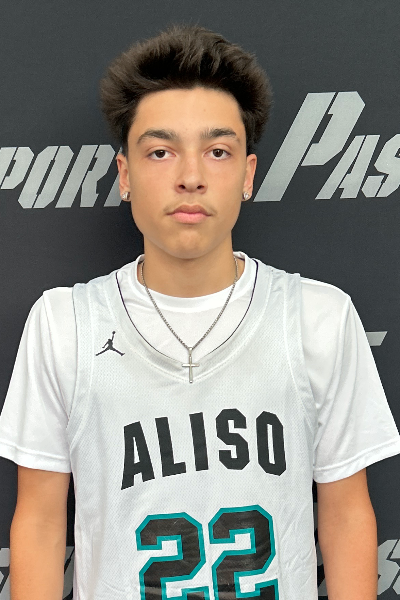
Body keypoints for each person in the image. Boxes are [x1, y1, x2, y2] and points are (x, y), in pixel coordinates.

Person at [0, 24, 399, 600]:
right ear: (125, 175)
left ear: (248, 174)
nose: (190, 177)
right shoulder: (65, 323)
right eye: (161, 152)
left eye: (217, 151)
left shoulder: (318, 317)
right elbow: (39, 522)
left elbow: (345, 513)